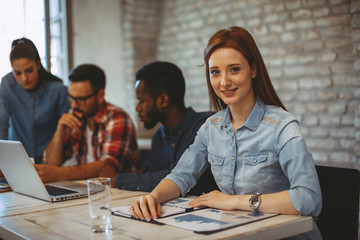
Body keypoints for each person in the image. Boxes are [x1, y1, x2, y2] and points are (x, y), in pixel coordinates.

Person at [129, 27, 322, 239]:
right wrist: (153, 197)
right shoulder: (211, 127)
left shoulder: (282, 126)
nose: (224, 82)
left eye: (234, 69)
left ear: (254, 69)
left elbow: (309, 199)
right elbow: (181, 175)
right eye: (215, 72)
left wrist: (235, 201)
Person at [115, 61, 218, 195]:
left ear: (163, 100)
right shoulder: (159, 136)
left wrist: (119, 180)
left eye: (141, 101)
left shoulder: (205, 127)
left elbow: (179, 176)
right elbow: (154, 179)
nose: (137, 108)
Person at [35, 64, 140, 185]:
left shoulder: (117, 118)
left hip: (121, 193)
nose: (74, 105)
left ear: (100, 96)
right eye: (71, 98)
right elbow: (52, 163)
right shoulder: (77, 117)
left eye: (80, 99)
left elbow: (107, 166)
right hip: (90, 191)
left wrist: (60, 174)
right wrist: (59, 132)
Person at [0, 37, 70, 164]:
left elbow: (69, 129)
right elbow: (1, 123)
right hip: (18, 160)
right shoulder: (7, 84)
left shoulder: (57, 89)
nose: (24, 78)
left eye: (29, 71)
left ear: (38, 64)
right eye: (17, 73)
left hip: (51, 161)